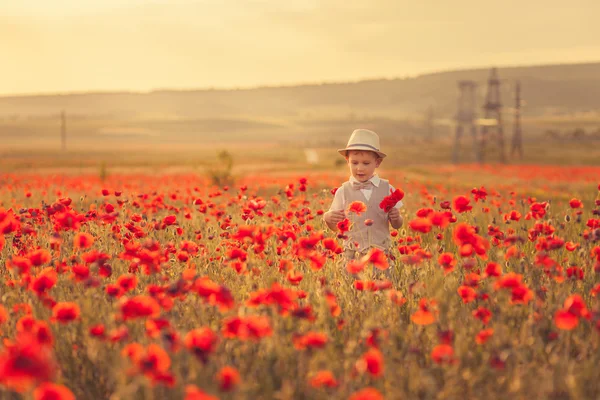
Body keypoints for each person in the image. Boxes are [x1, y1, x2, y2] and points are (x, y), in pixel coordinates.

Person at [323, 129, 404, 264]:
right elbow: (335, 227)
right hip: (352, 255)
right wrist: (328, 218)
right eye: (354, 163)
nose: (360, 168)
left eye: (366, 163)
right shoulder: (343, 191)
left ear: (377, 163)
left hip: (380, 254)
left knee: (381, 283)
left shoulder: (387, 189)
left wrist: (397, 218)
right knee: (352, 285)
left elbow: (397, 225)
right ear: (347, 161)